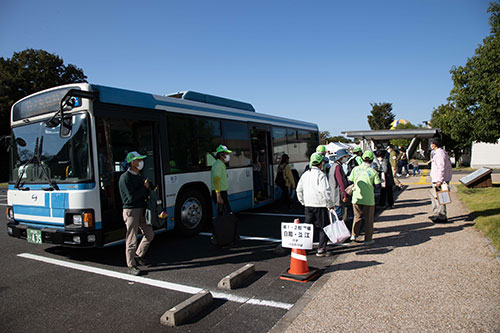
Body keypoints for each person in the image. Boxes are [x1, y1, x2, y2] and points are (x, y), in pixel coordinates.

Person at [119, 151, 155, 276]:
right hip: (131, 210)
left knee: (149, 234)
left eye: (141, 160)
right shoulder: (125, 178)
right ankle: (131, 265)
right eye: (138, 160)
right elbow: (130, 198)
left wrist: (150, 187)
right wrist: (144, 188)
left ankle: (139, 254)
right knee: (131, 238)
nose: (141, 162)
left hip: (142, 210)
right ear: (132, 162)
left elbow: (144, 192)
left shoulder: (139, 176)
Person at [297, 152, 334, 257]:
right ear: (321, 163)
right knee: (323, 227)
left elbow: (298, 190)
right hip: (320, 204)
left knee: (308, 227)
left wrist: (302, 201)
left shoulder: (305, 174)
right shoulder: (321, 175)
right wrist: (330, 204)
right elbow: (325, 191)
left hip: (308, 205)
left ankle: (305, 248)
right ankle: (321, 249)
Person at [348, 151, 381, 245]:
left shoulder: (355, 169)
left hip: (356, 197)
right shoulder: (373, 171)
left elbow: (350, 181)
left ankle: (354, 235)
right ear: (371, 160)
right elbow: (378, 185)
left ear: (362, 159)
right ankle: (368, 239)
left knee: (357, 217)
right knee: (369, 220)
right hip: (369, 199)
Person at [429, 138, 452, 223]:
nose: (431, 145)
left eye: (432, 143)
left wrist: (440, 180)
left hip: (440, 180)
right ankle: (436, 214)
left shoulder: (440, 154)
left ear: (434, 144)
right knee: (435, 197)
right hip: (437, 179)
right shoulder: (439, 153)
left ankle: (441, 215)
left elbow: (441, 167)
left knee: (440, 198)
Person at [328, 149, 349, 221]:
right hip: (338, 195)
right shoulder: (337, 167)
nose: (346, 158)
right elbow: (341, 182)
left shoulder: (334, 166)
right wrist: (345, 195)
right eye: (346, 157)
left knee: (336, 215)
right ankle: (338, 231)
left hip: (334, 194)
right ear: (341, 157)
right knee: (338, 216)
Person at [211, 145, 233, 213]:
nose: (228, 155)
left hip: (222, 192)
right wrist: (218, 196)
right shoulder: (218, 165)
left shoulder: (221, 164)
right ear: (221, 155)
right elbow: (216, 181)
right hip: (219, 192)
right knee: (226, 214)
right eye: (227, 153)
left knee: (225, 213)